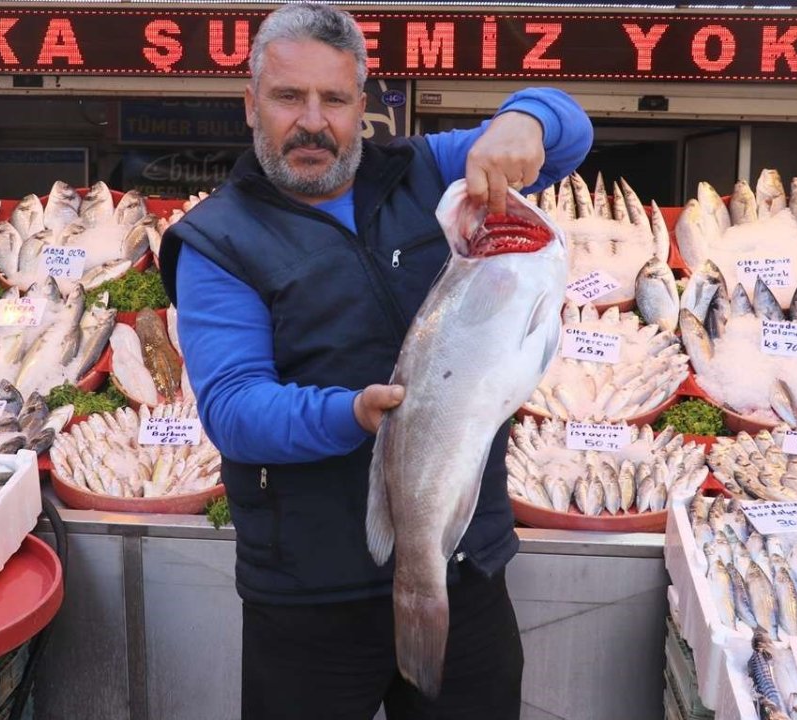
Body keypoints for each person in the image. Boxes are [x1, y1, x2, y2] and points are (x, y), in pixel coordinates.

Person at [158, 4, 592, 718]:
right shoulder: (217, 242)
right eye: (288, 97)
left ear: (363, 105)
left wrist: (528, 119)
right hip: (309, 597)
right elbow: (235, 410)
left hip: (462, 561)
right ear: (250, 104)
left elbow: (568, 137)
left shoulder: (425, 170)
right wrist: (352, 413)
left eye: (334, 99)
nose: (312, 121)